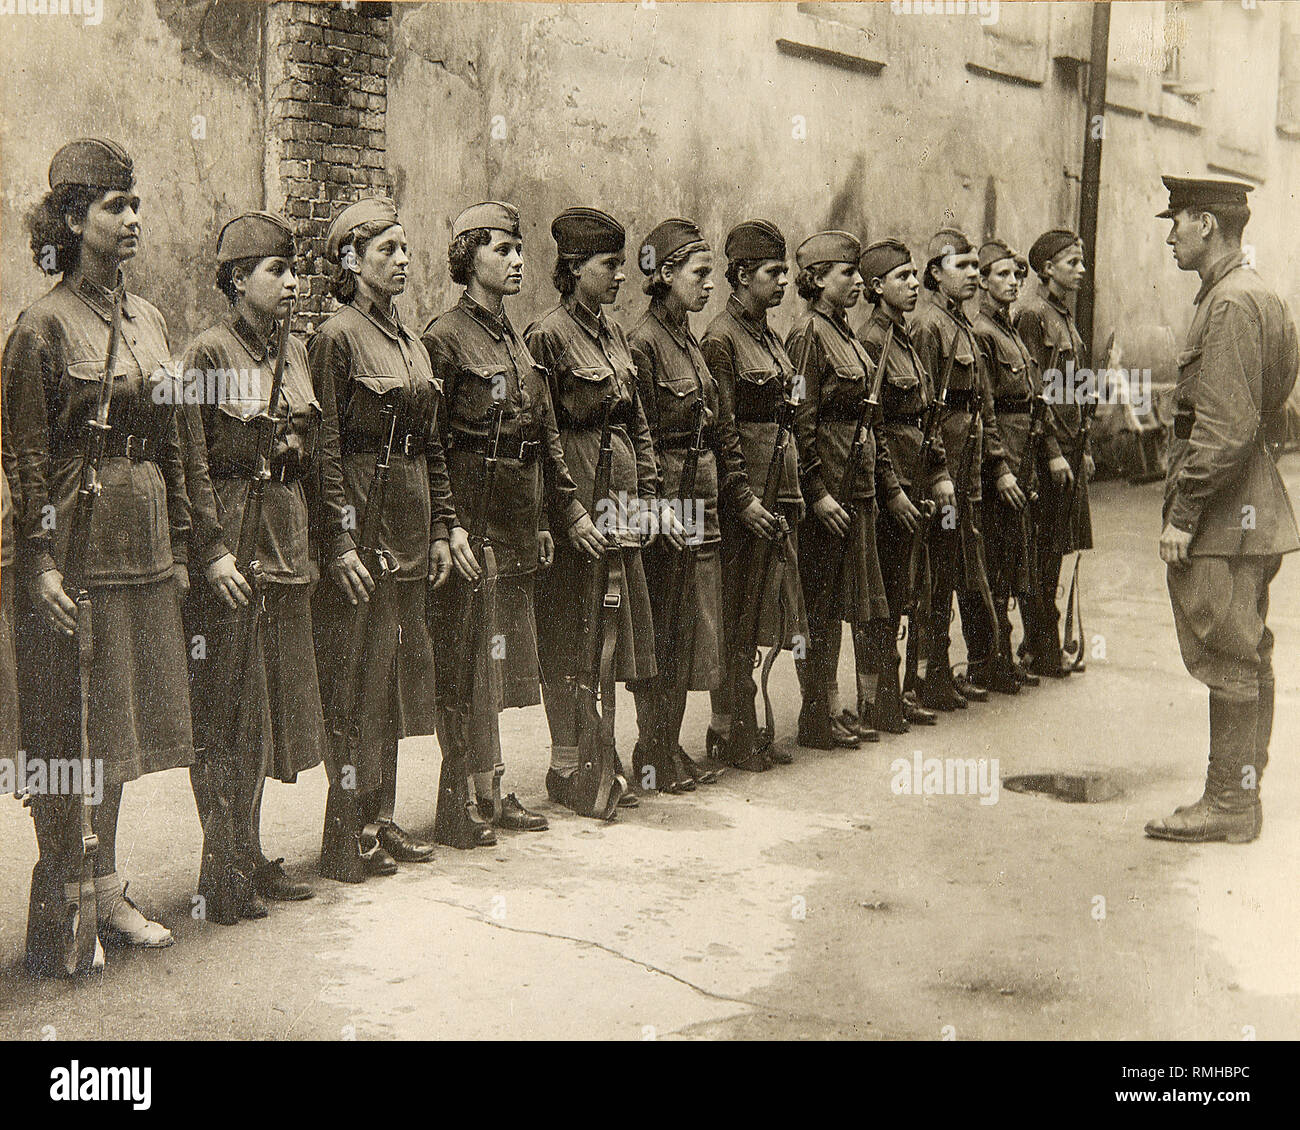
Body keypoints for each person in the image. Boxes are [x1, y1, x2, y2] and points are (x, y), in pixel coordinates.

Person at [5, 139, 193, 969]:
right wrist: (38, 559)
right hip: (75, 554)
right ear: (73, 219)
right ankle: (66, 893)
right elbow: (26, 456)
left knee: (116, 723)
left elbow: (176, 438)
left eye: (135, 204)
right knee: (65, 723)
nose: (132, 219)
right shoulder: (41, 326)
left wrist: (186, 538)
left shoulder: (148, 319)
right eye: (115, 207)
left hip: (140, 546)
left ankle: (106, 883)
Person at [177, 211, 352, 918]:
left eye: (294, 269)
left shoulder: (299, 352)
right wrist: (210, 549)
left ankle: (246, 852)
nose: (291, 281)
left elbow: (312, 458)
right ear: (237, 278)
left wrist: (326, 541)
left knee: (269, 715)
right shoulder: (208, 355)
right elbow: (189, 460)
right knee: (229, 714)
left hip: (286, 551)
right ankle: (221, 870)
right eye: (276, 270)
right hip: (236, 547)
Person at [424, 201, 603, 831]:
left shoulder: (518, 343)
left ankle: (492, 789)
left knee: (500, 660)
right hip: (476, 514)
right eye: (501, 249)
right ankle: (466, 796)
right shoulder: (443, 338)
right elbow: (433, 443)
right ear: (467, 258)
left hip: (520, 513)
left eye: (519, 248)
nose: (517, 259)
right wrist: (451, 526)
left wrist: (553, 518)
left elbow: (545, 435)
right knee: (472, 655)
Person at [1145, 176, 1298, 844]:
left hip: (1225, 512)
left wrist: (1183, 513)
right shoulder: (1256, 291)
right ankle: (1241, 792)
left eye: (1176, 221)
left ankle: (1230, 802)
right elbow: (1276, 397)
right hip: (1252, 503)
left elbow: (1228, 425)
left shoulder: (1231, 302)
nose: (1170, 234)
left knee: (1227, 653)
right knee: (1248, 648)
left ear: (1206, 223)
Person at [310, 196, 456, 880]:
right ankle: (345, 831)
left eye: (404, 249)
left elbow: (433, 447)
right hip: (363, 530)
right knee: (355, 684)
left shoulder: (412, 342)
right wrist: (338, 542)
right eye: (385, 251)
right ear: (350, 261)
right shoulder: (335, 338)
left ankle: (381, 815)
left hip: (407, 526)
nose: (401, 261)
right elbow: (326, 450)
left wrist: (442, 526)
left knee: (394, 681)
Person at [629, 218, 773, 789]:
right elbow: (639, 433)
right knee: (664, 624)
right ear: (666, 276)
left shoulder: (689, 338)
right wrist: (655, 504)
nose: (708, 285)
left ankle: (667, 745)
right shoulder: (643, 342)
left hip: (703, 496)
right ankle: (651, 749)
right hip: (668, 494)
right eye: (699, 274)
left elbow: (719, 426)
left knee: (691, 625)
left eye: (711, 274)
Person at [788, 230, 916, 749]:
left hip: (855, 489)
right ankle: (814, 714)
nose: (859, 281)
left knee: (841, 605)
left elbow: (871, 421)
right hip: (829, 496)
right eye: (847, 273)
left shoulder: (843, 334)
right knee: (817, 610)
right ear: (818, 280)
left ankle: (832, 706)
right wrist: (816, 492)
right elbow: (799, 421)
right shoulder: (807, 336)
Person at [700, 220, 808, 769]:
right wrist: (742, 498)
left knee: (762, 609)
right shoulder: (721, 339)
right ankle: (731, 730)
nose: (784, 281)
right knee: (739, 615)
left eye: (785, 271)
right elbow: (722, 429)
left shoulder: (767, 334)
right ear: (742, 276)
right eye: (773, 272)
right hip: (746, 501)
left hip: (777, 492)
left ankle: (740, 727)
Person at [855, 239, 953, 731]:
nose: (914, 285)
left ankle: (897, 691)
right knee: (887, 596)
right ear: (876, 288)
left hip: (916, 485)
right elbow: (872, 428)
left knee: (910, 588)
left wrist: (936, 475)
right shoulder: (873, 341)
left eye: (916, 276)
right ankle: (879, 697)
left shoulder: (905, 338)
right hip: (891, 489)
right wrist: (891, 488)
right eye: (902, 278)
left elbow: (922, 420)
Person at [911, 227, 1009, 710]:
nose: (973, 275)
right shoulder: (929, 326)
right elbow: (924, 409)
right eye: (962, 267)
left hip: (965, 475)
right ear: (935, 274)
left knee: (955, 570)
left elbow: (983, 405)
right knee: (935, 573)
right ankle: (927, 677)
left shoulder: (963, 323)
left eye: (976, 267)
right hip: (942, 477)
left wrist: (992, 463)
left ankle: (942, 672)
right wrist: (938, 473)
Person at [1013, 228, 1094, 678]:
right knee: (1039, 550)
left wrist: (1084, 446)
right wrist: (1050, 451)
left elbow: (1077, 386)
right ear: (1047, 269)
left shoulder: (1064, 316)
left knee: (1055, 550)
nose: (1080, 271)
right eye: (1071, 263)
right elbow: (1033, 392)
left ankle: (1041, 642)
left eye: (1080, 263)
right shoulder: (1033, 315)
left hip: (1069, 449)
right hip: (1048, 455)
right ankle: (1041, 645)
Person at [970, 239, 1039, 691]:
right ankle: (987, 659)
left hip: (1021, 454)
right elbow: (986, 408)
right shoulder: (983, 333)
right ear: (982, 281)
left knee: (1011, 559)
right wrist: (999, 467)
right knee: (992, 562)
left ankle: (1002, 653)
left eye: (1017, 274)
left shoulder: (1010, 330)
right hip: (1000, 462)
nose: (1013, 282)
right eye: (1002, 275)